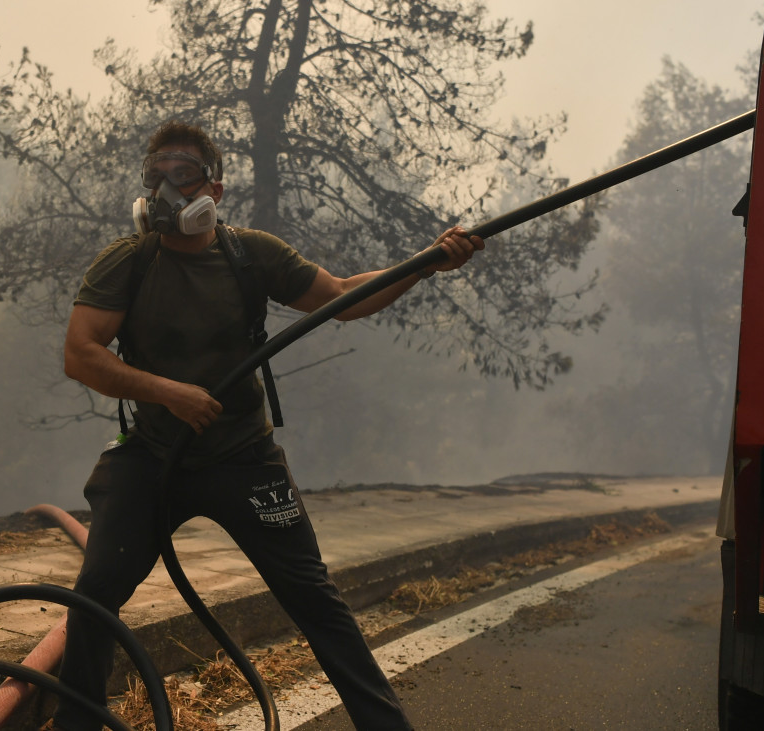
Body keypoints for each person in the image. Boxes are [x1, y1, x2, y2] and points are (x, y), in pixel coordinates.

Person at [53, 121, 484, 730]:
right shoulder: (128, 262)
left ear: (215, 191)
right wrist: (167, 393)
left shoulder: (249, 254)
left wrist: (426, 263)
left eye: (183, 174)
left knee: (317, 603)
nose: (167, 188)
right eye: (157, 173)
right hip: (152, 456)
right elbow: (81, 353)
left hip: (243, 458)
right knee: (93, 599)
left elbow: (344, 297)